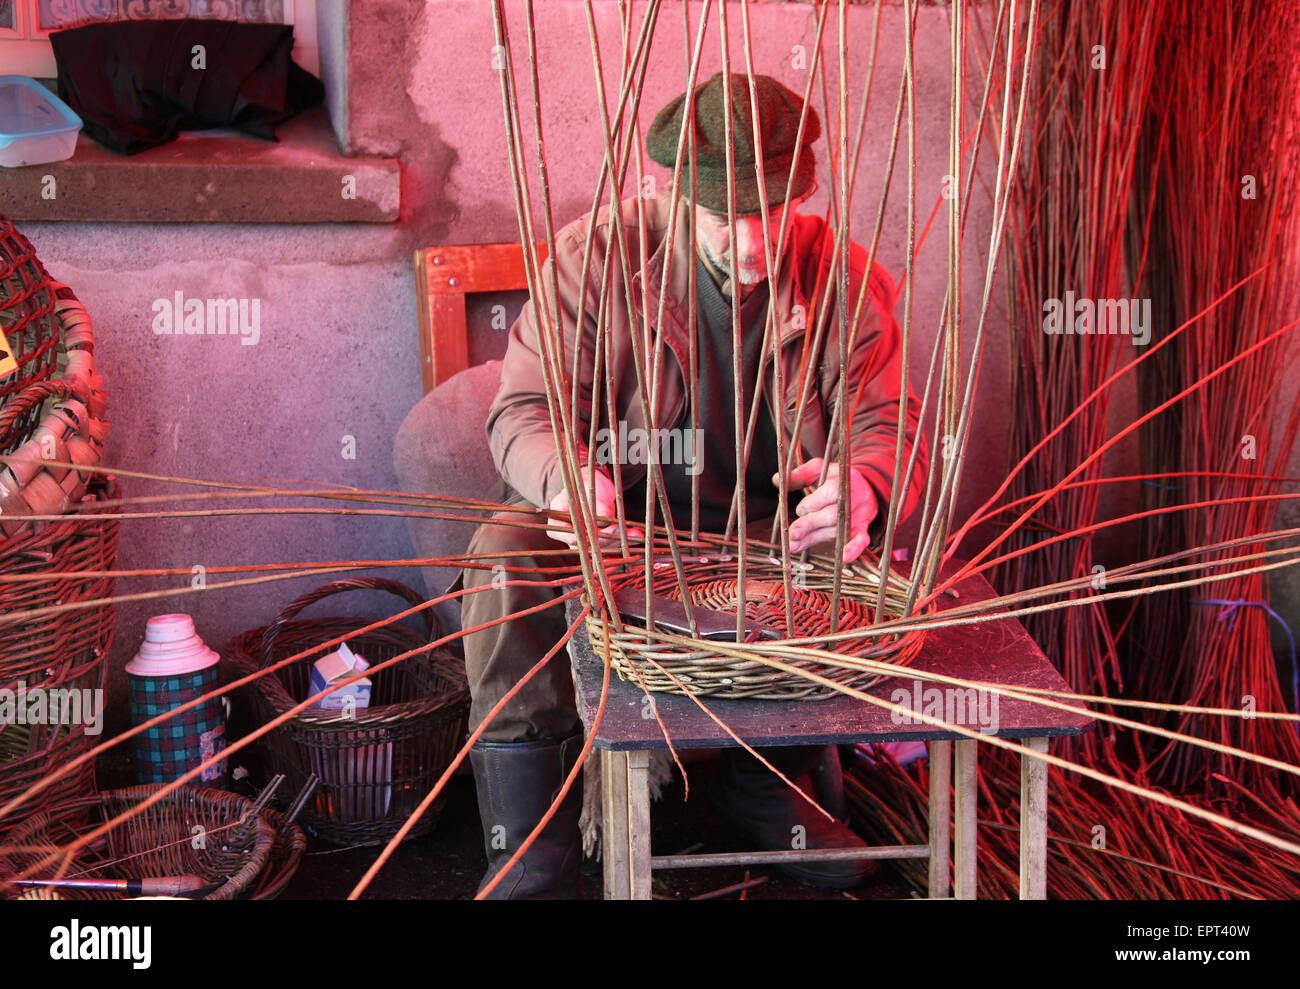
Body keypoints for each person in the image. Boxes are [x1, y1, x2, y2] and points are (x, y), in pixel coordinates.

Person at [457, 72, 928, 899]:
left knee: (844, 560)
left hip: (760, 538)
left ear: (804, 192)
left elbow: (890, 424)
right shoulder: (595, 258)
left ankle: (764, 790)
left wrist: (865, 481)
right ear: (671, 190)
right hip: (618, 530)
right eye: (725, 217)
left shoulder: (846, 280)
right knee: (504, 551)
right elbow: (522, 410)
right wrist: (570, 484)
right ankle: (532, 846)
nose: (753, 242)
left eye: (774, 212)